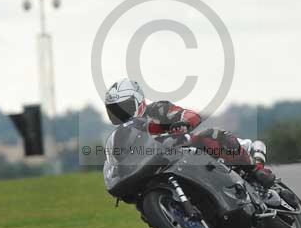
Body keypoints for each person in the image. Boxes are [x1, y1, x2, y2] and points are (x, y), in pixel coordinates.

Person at [104, 78, 275, 187]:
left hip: (185, 152)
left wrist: (183, 123)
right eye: (115, 111)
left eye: (124, 108)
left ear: (139, 101)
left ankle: (255, 170)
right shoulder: (122, 136)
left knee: (212, 135)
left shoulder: (157, 110)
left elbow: (189, 114)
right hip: (159, 167)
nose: (121, 114)